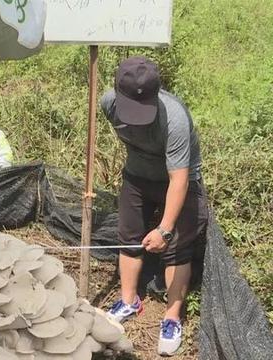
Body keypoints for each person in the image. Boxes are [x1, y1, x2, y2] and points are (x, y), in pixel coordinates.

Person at [100, 56, 208, 356]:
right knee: (128, 237)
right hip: (137, 176)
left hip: (179, 181)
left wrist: (164, 228)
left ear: (156, 93)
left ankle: (172, 316)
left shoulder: (174, 118)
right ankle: (129, 299)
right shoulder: (108, 104)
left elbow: (179, 179)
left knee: (177, 248)